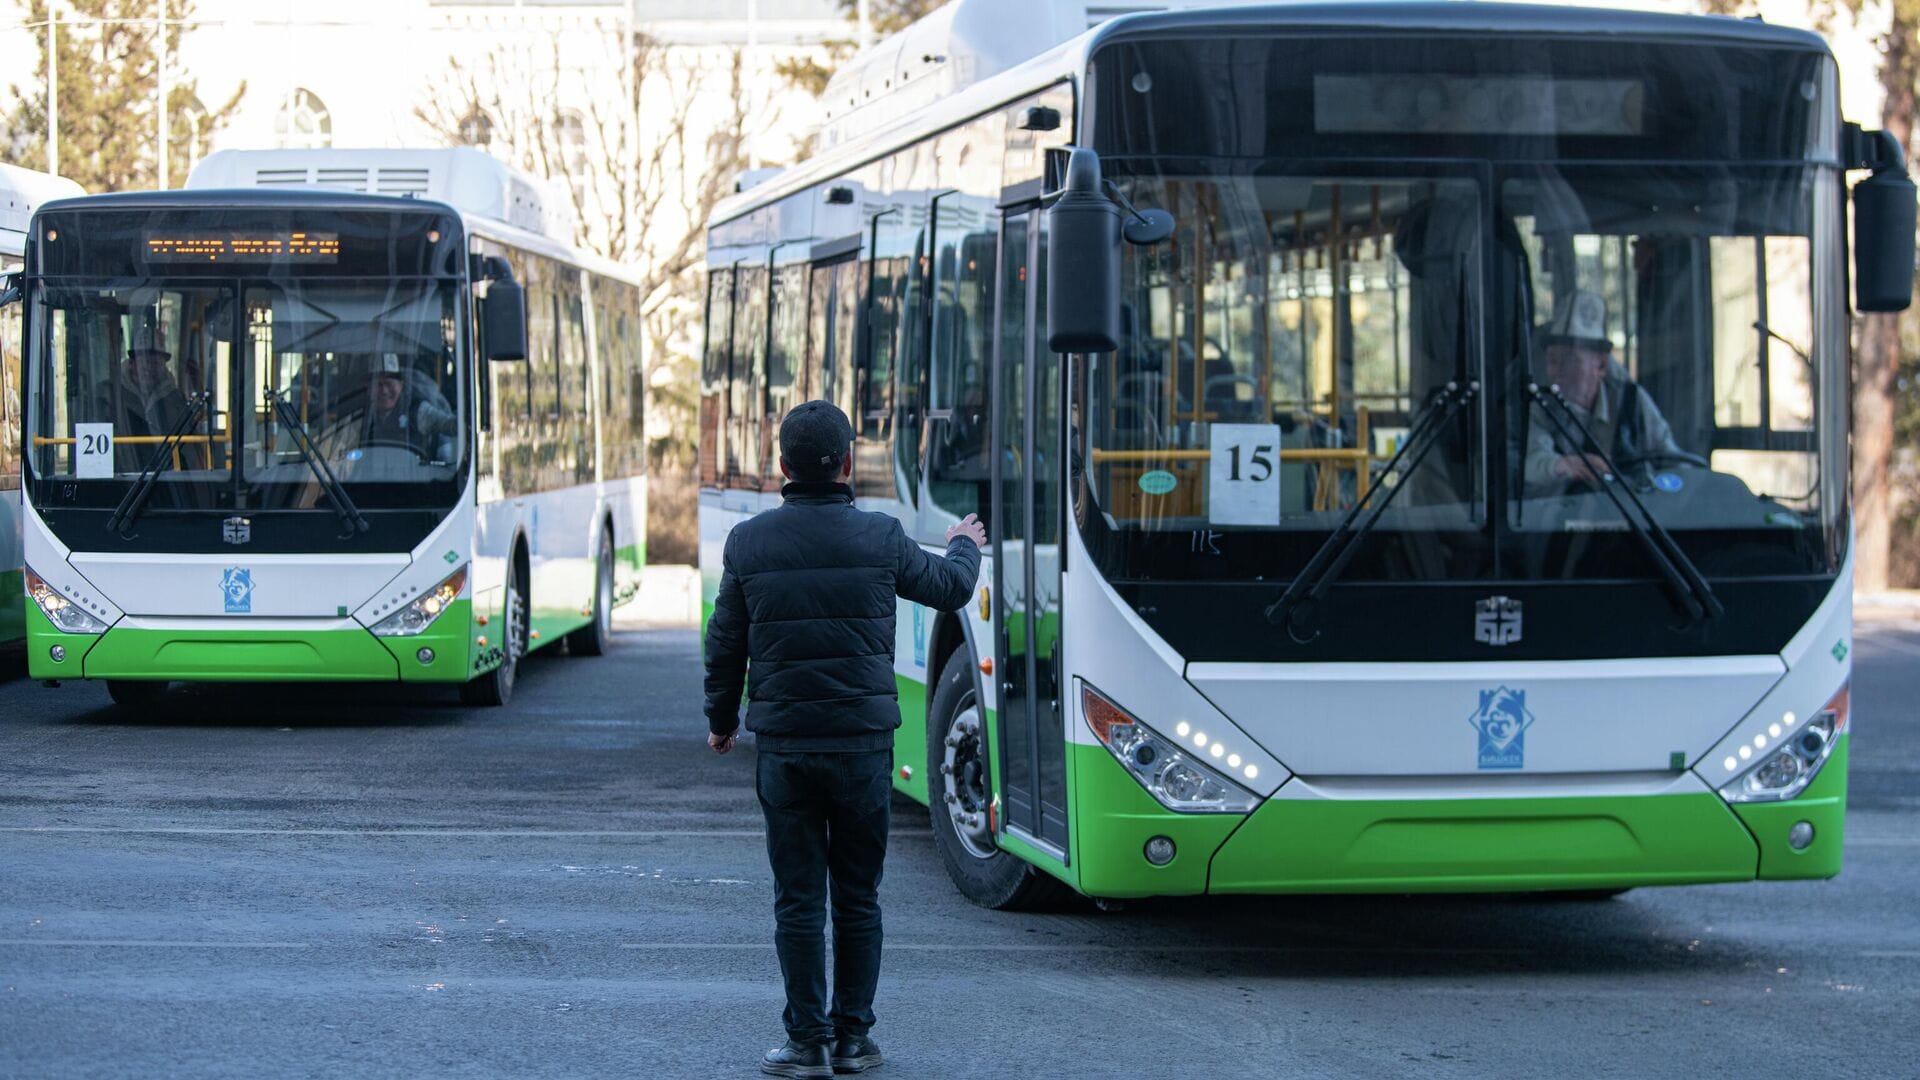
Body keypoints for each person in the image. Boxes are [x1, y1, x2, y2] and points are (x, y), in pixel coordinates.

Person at [704, 400, 986, 1079]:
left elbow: (726, 642)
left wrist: (722, 719)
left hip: (786, 747)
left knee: (798, 899)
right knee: (858, 898)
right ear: (848, 464)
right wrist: (963, 541)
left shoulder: (748, 543)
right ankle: (854, 1040)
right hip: (862, 748)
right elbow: (952, 588)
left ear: (782, 466)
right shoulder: (881, 537)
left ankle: (806, 1042)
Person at [1525, 290, 1687, 494]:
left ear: (1601, 365)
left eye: (1570, 360)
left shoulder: (1631, 401)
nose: (1557, 371)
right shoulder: (1541, 407)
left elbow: (1673, 460)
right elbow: (1530, 462)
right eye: (1552, 360)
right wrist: (1561, 466)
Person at [359, 354, 455, 460]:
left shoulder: (417, 411)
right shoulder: (362, 415)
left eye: (389, 384)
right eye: (378, 385)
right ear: (368, 388)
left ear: (401, 385)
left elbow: (447, 424)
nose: (384, 391)